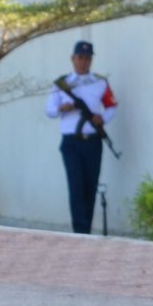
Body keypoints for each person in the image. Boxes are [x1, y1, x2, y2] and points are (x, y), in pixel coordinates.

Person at [46, 40, 117, 234]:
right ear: (73, 58)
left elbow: (112, 105)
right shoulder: (62, 83)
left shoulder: (100, 82)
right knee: (76, 185)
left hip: (93, 141)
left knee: (90, 185)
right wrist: (63, 108)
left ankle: (86, 229)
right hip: (71, 142)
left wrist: (102, 118)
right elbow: (50, 110)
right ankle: (80, 231)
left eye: (87, 58)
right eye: (80, 58)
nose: (84, 62)